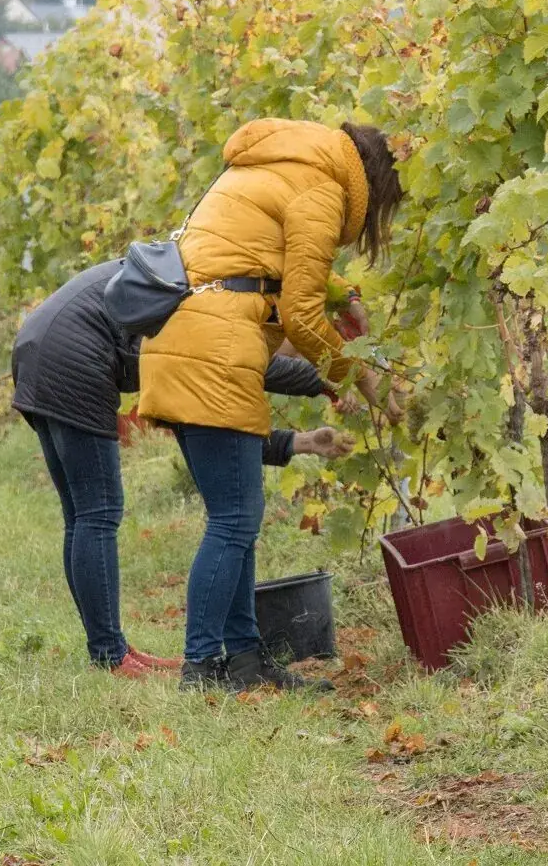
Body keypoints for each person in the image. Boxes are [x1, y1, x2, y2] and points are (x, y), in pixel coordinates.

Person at [137, 119, 404, 693]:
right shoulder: (321, 188)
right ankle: (202, 667)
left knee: (238, 519)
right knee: (234, 521)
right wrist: (362, 382)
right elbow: (301, 315)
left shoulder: (280, 164)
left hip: (185, 341)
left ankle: (244, 661)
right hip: (214, 351)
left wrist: (344, 300)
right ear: (376, 182)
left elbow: (266, 264)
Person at [13, 259, 359, 680]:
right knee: (98, 513)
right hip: (76, 352)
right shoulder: (224, 295)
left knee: (82, 514)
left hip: (37, 344)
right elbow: (236, 370)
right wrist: (332, 378)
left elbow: (214, 424)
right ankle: (111, 654)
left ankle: (108, 651)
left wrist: (298, 439)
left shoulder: (203, 272)